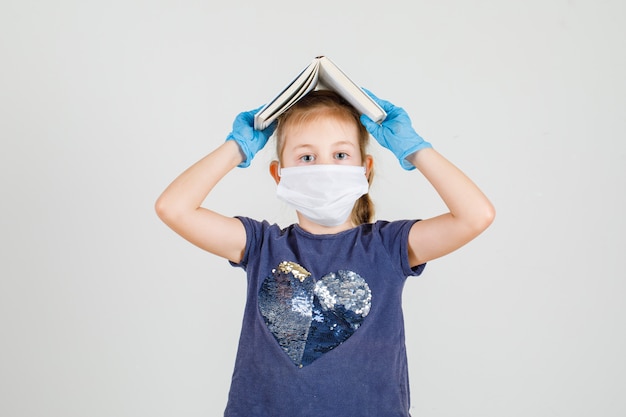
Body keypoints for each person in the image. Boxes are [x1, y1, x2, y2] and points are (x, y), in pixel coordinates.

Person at [155, 89, 495, 416]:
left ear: (365, 169)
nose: (324, 167)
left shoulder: (388, 247)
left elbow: (475, 216)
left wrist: (414, 149)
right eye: (306, 157)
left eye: (341, 155)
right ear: (279, 174)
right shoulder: (260, 244)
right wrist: (236, 148)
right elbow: (174, 208)